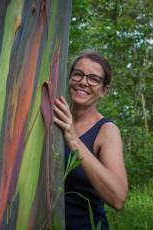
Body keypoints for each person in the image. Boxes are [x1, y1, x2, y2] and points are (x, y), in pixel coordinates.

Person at [53, 49, 128, 229]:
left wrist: (75, 141)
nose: (83, 82)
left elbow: (118, 198)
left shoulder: (106, 131)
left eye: (94, 79)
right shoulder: (53, 115)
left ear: (104, 90)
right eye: (78, 74)